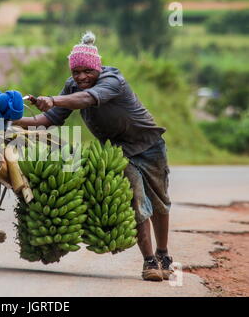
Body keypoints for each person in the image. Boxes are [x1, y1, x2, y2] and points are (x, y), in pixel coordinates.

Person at [13, 31, 173, 282]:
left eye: (87, 72)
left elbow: (86, 99)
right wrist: (14, 120)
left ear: (97, 68)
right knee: (138, 202)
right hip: (118, 152)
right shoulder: (72, 86)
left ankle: (164, 254)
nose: (81, 77)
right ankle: (149, 261)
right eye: (76, 73)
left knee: (160, 203)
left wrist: (54, 99)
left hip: (148, 143)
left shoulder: (113, 79)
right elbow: (49, 120)